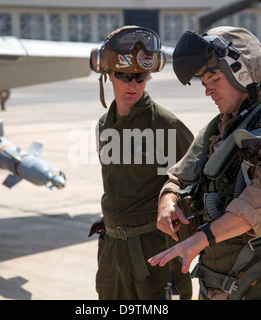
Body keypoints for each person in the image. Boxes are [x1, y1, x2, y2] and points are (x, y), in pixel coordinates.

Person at [148, 26, 261, 300]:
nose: (208, 91)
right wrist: (168, 201)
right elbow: (180, 175)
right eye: (203, 82)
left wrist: (199, 239)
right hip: (217, 281)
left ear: (242, 73)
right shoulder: (221, 128)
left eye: (214, 78)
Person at [88, 25, 194, 300]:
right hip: (112, 250)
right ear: (109, 75)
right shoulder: (104, 125)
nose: (133, 84)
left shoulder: (166, 125)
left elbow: (197, 183)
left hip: (154, 252)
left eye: (140, 76)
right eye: (124, 76)